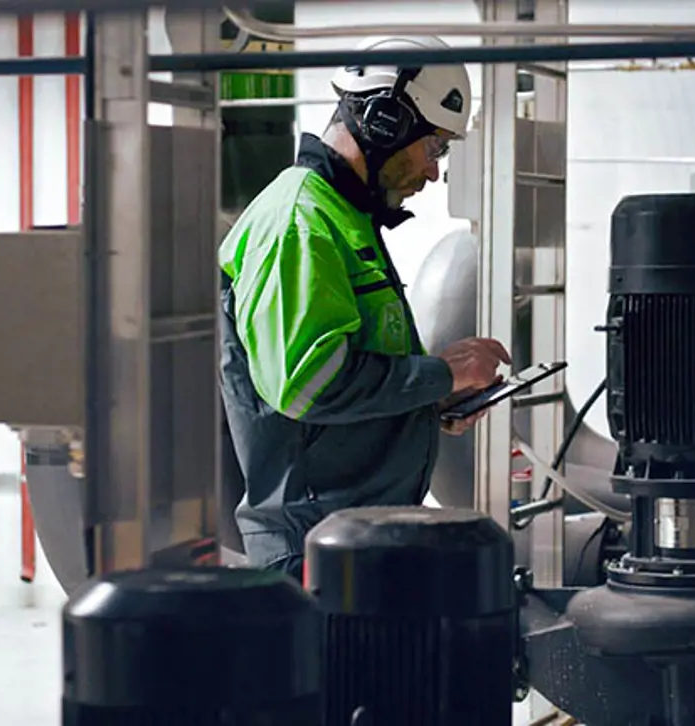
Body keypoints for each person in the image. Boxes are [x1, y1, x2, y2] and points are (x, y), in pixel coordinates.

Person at [217, 35, 511, 582]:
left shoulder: (345, 219)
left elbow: (351, 383)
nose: (432, 173)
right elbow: (309, 384)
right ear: (384, 124)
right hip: (312, 551)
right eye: (434, 148)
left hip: (356, 540)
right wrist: (439, 373)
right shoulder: (299, 224)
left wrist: (429, 402)